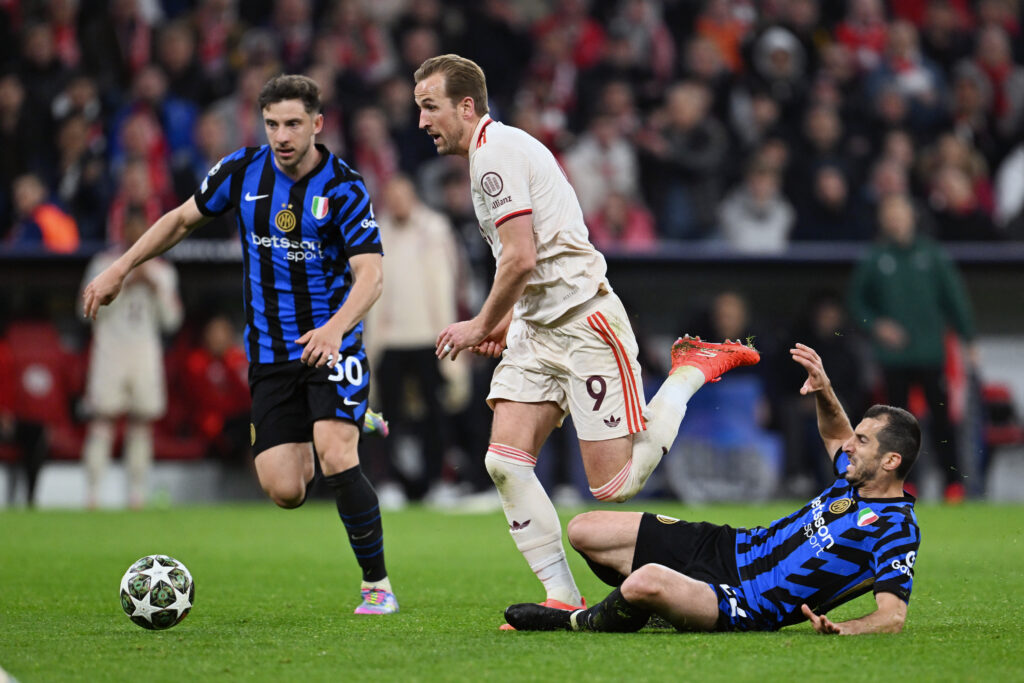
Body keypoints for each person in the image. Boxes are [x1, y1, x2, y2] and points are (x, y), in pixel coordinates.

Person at [413, 54, 759, 623]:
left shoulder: (495, 155)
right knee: (504, 462)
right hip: (537, 327)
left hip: (584, 324)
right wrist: (507, 319)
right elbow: (530, 255)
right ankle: (563, 594)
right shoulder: (491, 152)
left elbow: (521, 257)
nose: (423, 121)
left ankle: (689, 372)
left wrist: (478, 323)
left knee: (614, 487)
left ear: (466, 106)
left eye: (431, 107)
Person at [82, 74, 398, 615]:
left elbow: (371, 274)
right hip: (270, 354)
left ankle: (377, 585)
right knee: (285, 489)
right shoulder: (241, 170)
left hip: (332, 345)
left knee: (336, 453)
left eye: (293, 123)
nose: (282, 135)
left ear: (318, 124)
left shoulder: (345, 187)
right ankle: (341, 415)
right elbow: (181, 219)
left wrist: (336, 328)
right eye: (272, 123)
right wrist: (121, 266)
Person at [505, 343, 922, 635]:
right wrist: (825, 390)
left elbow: (892, 615)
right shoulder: (853, 476)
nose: (849, 446)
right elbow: (834, 433)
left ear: (891, 462)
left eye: (862, 441)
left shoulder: (896, 528)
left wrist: (846, 629)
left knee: (644, 582)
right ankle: (661, 607)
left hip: (748, 602)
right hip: (730, 546)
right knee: (584, 529)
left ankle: (576, 621)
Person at [848, 193, 976, 503]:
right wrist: (876, 325)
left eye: (900, 213)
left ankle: (953, 484)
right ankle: (905, 484)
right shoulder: (875, 258)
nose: (895, 219)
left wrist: (968, 338)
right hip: (894, 359)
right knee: (897, 429)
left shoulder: (932, 255)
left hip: (931, 354)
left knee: (943, 421)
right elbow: (855, 304)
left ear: (911, 217)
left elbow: (954, 299)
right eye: (889, 213)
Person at [80, 209, 183, 508]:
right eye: (131, 228)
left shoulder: (162, 271)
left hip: (145, 352)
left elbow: (172, 321)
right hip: (109, 350)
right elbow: (83, 310)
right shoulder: (102, 264)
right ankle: (92, 495)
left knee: (142, 422)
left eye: (141, 228)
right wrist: (122, 284)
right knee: (102, 420)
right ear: (121, 229)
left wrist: (153, 287)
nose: (135, 234)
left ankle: (137, 496)